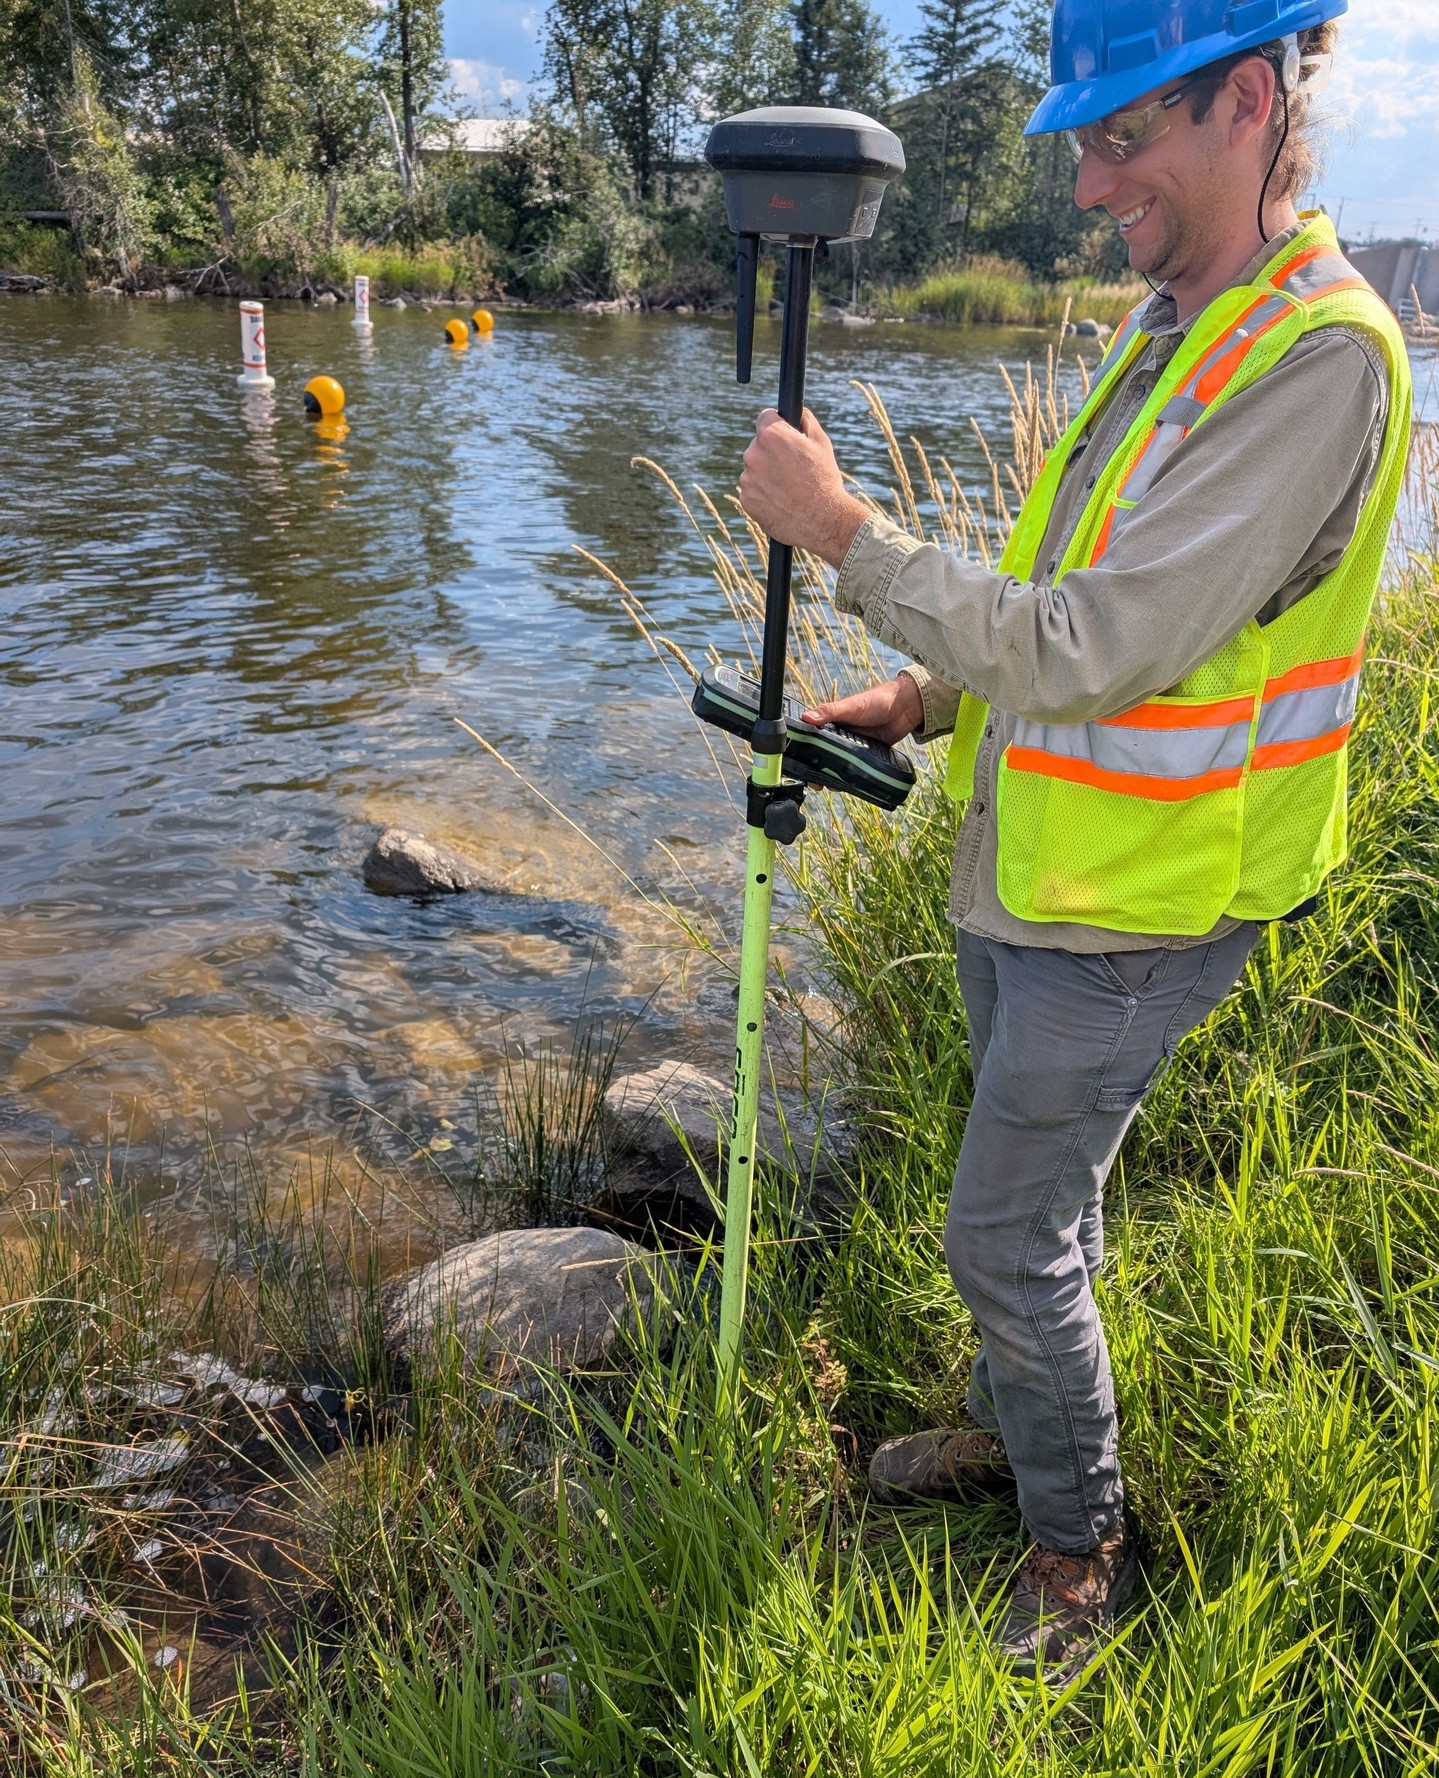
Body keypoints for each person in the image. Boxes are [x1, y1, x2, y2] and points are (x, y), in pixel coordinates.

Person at [736, 0, 1412, 1677]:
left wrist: (845, 535)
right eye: (1087, 143)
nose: (1094, 181)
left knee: (1001, 1232)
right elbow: (1062, 594)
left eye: (1125, 138)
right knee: (1050, 1209)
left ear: (1249, 102)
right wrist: (922, 700)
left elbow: (1094, 646)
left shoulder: (1318, 360)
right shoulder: (1180, 319)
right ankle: (1018, 1420)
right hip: (1040, 867)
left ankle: (1073, 1552)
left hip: (1144, 905)